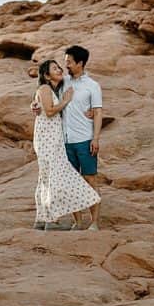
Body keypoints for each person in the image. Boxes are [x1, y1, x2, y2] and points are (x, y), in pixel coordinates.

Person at [32, 60, 100, 231]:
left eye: (59, 67)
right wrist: (65, 101)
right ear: (47, 76)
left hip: (54, 139)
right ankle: (50, 219)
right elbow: (48, 111)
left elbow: (40, 105)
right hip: (47, 140)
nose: (59, 69)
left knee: (49, 177)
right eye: (54, 68)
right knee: (55, 176)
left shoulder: (54, 88)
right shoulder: (45, 88)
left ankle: (43, 218)